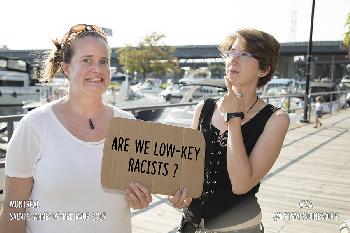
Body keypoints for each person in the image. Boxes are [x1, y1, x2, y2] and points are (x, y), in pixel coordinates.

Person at [0, 24, 152, 233]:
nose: (97, 69)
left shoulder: (129, 125)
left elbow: (137, 193)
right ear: (66, 67)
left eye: (103, 61)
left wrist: (140, 199)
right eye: (86, 60)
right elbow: (13, 208)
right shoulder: (35, 126)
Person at [169, 29, 290, 232]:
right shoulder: (204, 108)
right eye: (231, 53)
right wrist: (179, 195)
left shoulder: (276, 120)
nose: (233, 60)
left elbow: (241, 185)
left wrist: (233, 118)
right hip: (191, 226)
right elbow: (188, 171)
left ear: (264, 70)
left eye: (244, 54)